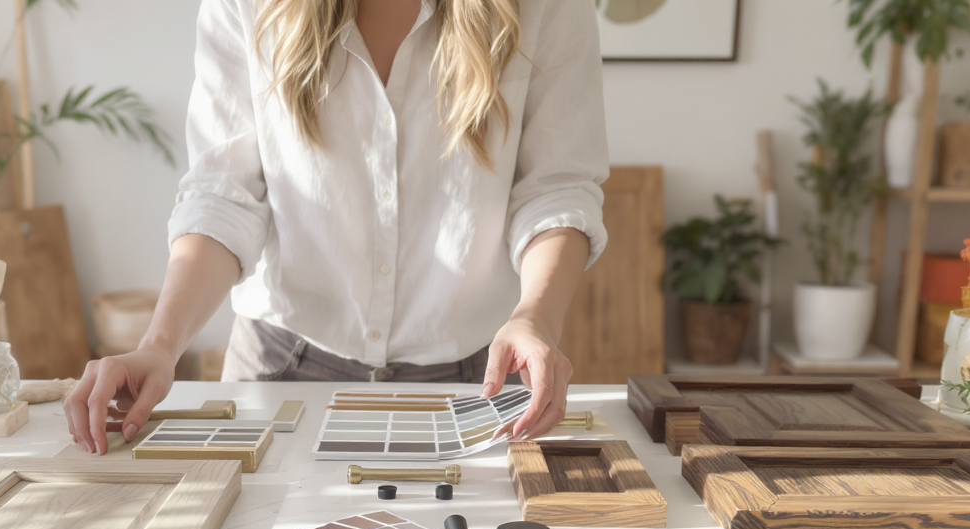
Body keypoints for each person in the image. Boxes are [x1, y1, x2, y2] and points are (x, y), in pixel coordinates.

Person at [66, 0, 608, 454]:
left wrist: (535, 318)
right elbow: (223, 197)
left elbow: (556, 188)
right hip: (279, 371)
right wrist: (159, 346)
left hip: (472, 383)